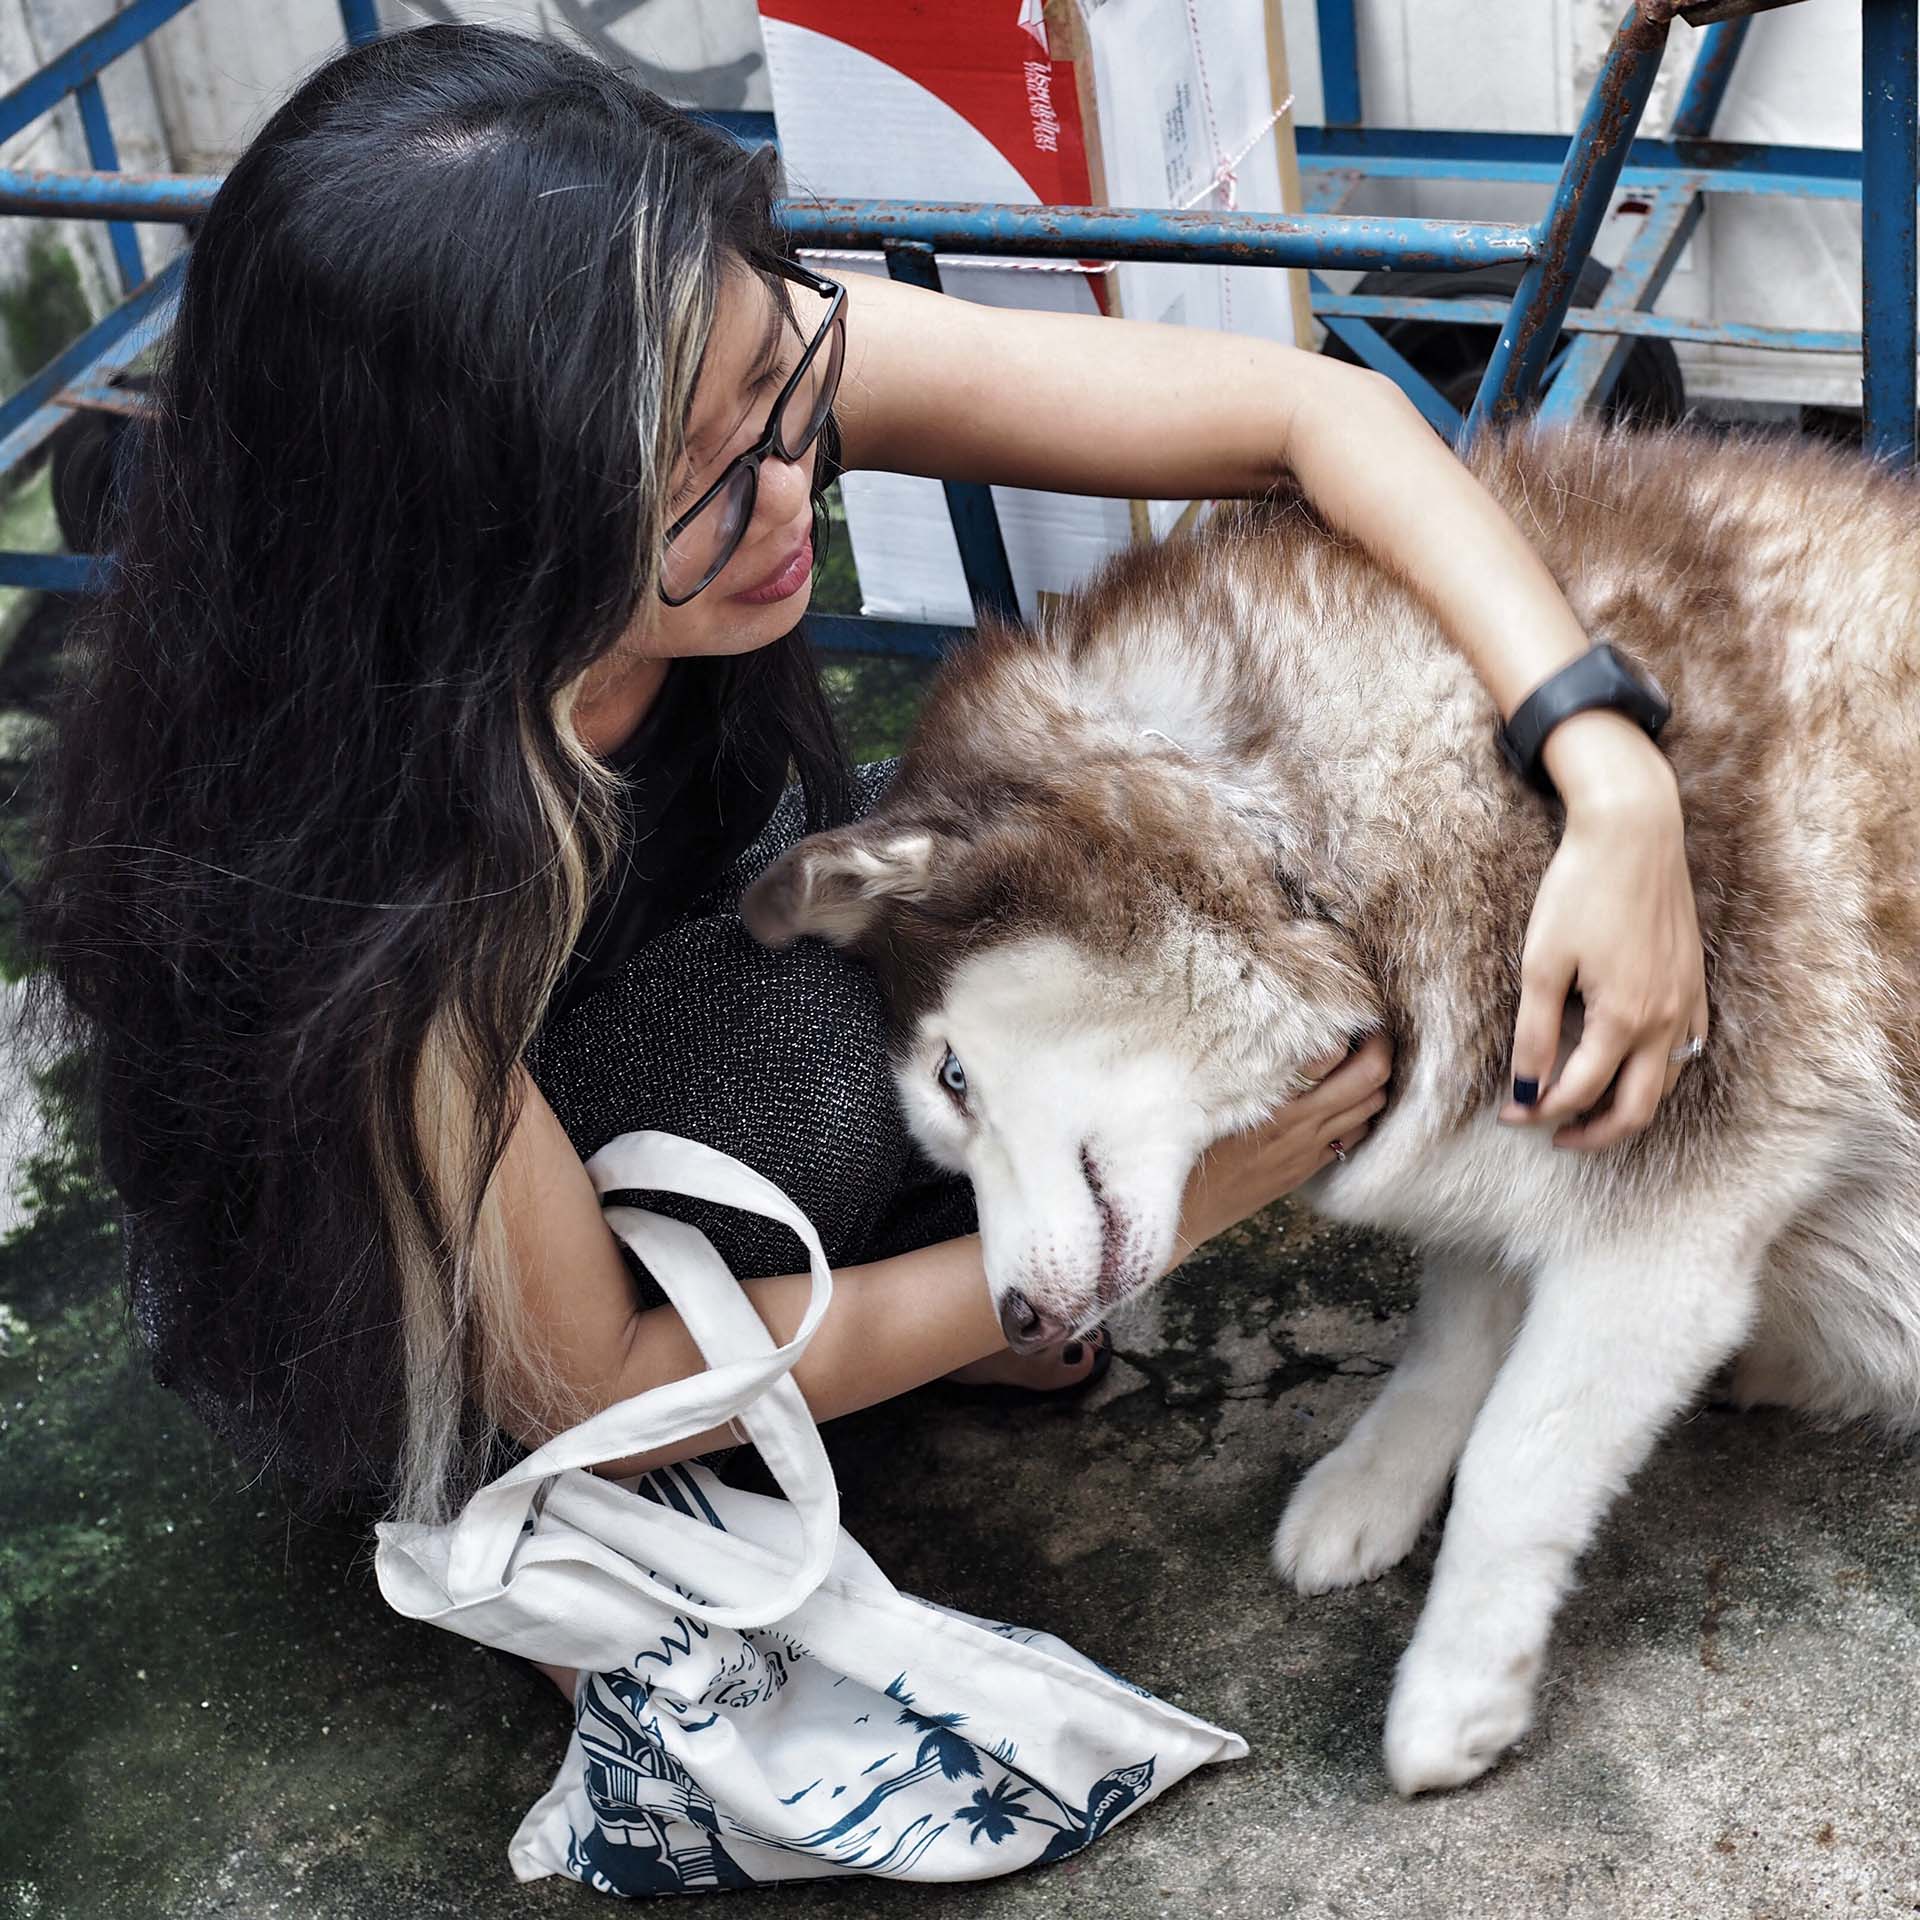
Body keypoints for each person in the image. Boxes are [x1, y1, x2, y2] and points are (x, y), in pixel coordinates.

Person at [22, 27, 1704, 1559]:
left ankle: (893, 1303)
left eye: (781, 388)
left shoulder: (707, 367)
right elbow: (595, 1385)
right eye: (689, 488)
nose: (783, 499)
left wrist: (1605, 764)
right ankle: (872, 1333)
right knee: (838, 1078)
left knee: (992, 891)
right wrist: (1166, 1220)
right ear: (480, 537)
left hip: (661, 914)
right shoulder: (372, 870)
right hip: (414, 1286)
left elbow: (1303, 420)